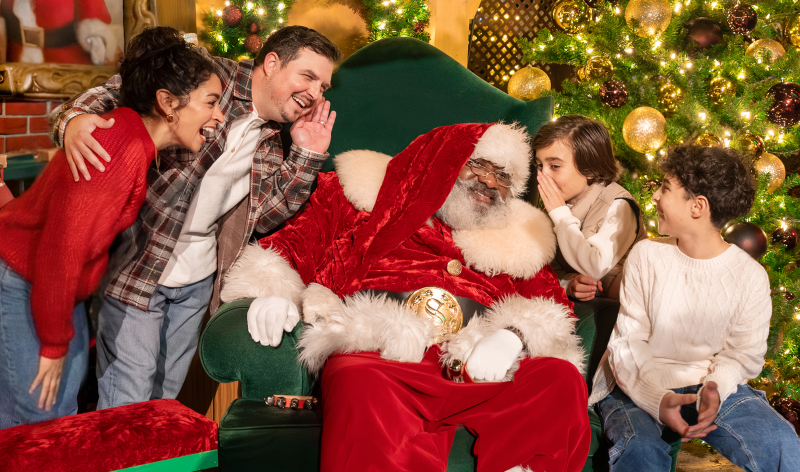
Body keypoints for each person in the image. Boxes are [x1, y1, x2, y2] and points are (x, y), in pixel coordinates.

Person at [221, 123, 591, 472]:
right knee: (357, 379)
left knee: (559, 380)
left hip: (474, 364)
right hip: (383, 354)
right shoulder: (362, 201)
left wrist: (513, 335)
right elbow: (290, 247)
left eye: (504, 176)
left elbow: (552, 307)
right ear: (446, 162)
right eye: (478, 165)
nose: (490, 181)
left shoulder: (521, 240)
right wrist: (271, 293)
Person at [49, 25, 341, 410]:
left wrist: (306, 153)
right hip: (140, 267)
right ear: (272, 63)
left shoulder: (272, 139)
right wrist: (72, 120)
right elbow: (117, 91)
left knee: (164, 399)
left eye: (323, 86)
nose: (316, 93)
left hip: (196, 283)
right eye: (308, 76)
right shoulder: (207, 75)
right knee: (127, 399)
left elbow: (263, 216)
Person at [0, 26, 223, 428]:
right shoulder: (118, 147)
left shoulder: (131, 136)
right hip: (28, 280)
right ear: (167, 103)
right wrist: (53, 345)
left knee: (60, 418)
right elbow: (60, 252)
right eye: (210, 102)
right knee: (41, 422)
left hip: (54, 290)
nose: (219, 116)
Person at [589, 145, 800, 471]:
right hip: (637, 383)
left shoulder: (750, 277)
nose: (655, 196)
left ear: (698, 206)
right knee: (640, 449)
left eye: (665, 188)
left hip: (713, 385)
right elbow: (628, 342)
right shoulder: (646, 256)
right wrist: (658, 400)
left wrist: (715, 389)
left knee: (781, 441)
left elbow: (743, 355)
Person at [535, 116, 646, 301]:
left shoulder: (619, 205)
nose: (542, 175)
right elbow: (547, 266)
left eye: (555, 166)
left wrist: (561, 215)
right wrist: (568, 283)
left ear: (590, 169)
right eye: (540, 165)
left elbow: (595, 267)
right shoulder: (557, 205)